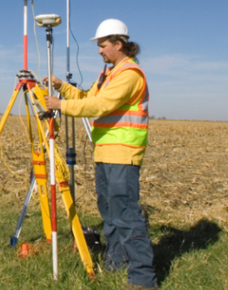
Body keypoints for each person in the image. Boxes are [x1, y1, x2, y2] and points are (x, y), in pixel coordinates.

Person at [44, 18, 157, 289]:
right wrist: (63, 88)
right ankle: (116, 264)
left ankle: (142, 279)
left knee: (126, 215)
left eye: (103, 45)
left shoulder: (129, 74)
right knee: (109, 212)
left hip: (123, 153)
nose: (99, 50)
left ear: (119, 45)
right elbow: (87, 98)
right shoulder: (109, 74)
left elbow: (102, 105)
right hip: (105, 153)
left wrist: (61, 105)